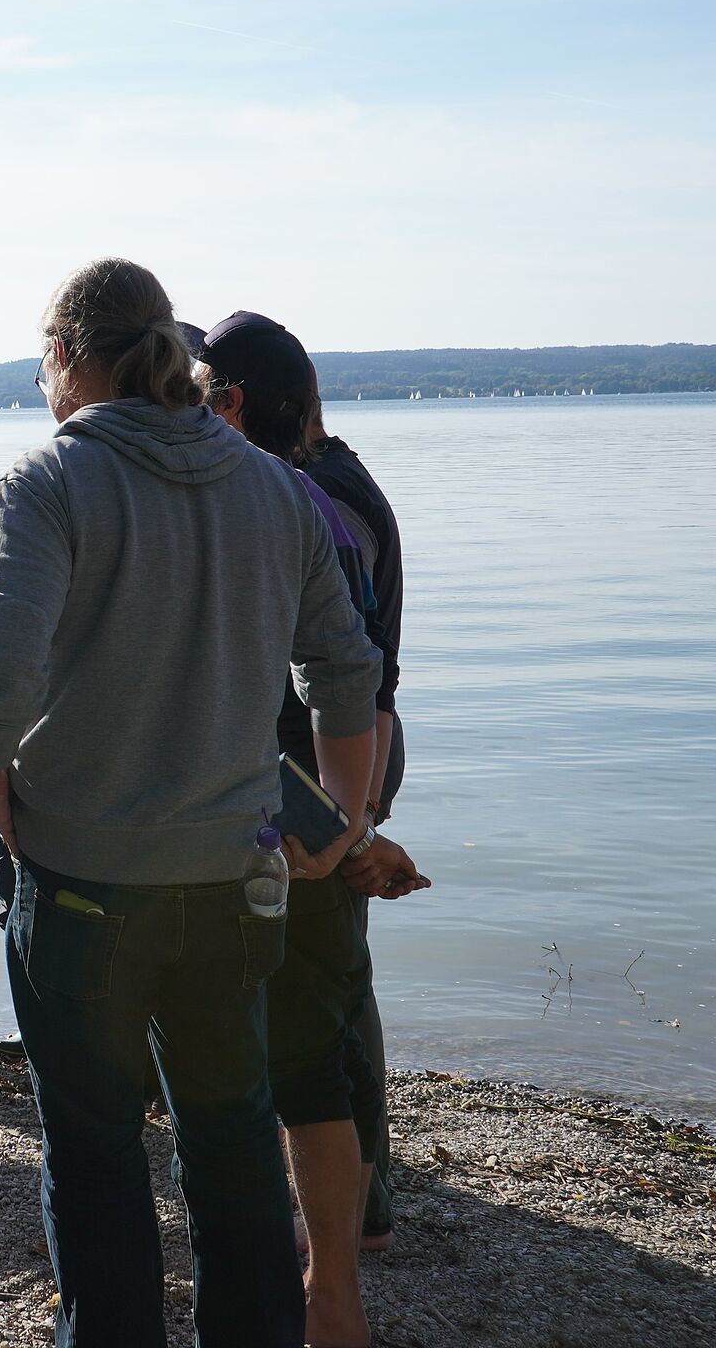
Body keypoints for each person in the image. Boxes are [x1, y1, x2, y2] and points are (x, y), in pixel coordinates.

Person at [0, 258, 381, 1348]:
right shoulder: (276, 489)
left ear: (63, 359)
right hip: (238, 875)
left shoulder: (45, 483)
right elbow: (347, 670)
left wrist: (18, 819)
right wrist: (339, 822)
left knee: (95, 1151)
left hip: (84, 883)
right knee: (232, 1140)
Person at [201, 309, 426, 1348]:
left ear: (233, 401)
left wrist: (339, 818)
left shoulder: (283, 502)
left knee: (302, 1025)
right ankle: (348, 1244)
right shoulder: (345, 479)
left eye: (199, 395)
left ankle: (335, 1262)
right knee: (331, 1007)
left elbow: (328, 675)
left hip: (301, 782)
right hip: (344, 767)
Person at [302, 397, 408, 1247]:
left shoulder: (313, 498)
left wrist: (358, 825)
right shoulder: (326, 483)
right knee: (334, 988)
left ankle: (353, 1219)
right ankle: (351, 1214)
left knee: (328, 997)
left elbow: (353, 673)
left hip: (332, 766)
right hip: (341, 762)